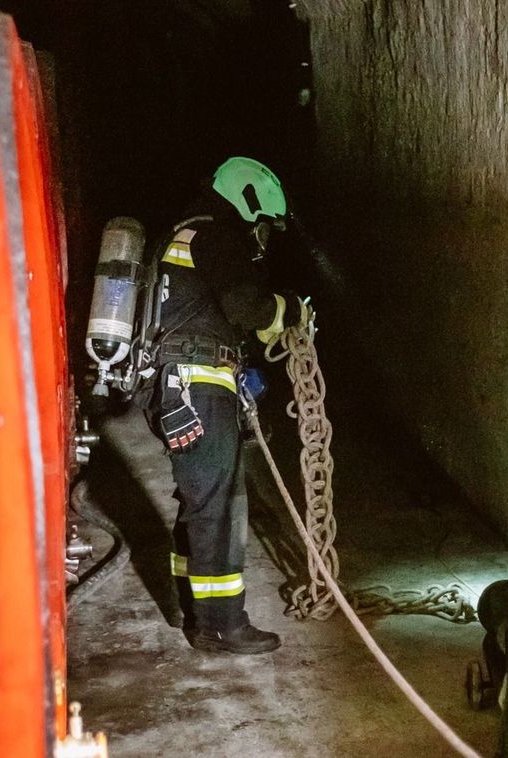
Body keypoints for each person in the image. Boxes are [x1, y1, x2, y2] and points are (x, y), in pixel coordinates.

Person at [145, 156, 310, 654]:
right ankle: (221, 625)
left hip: (182, 385)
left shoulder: (185, 234)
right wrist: (291, 308)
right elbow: (247, 306)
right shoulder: (215, 235)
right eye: (263, 225)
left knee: (200, 502)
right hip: (196, 387)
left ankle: (191, 608)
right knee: (218, 508)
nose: (262, 237)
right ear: (248, 202)